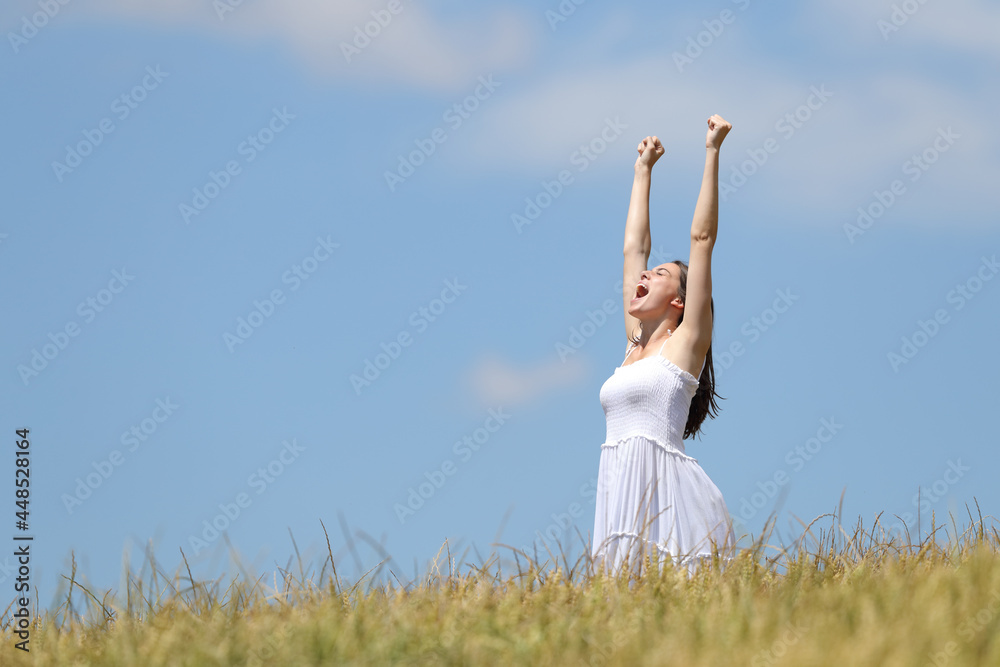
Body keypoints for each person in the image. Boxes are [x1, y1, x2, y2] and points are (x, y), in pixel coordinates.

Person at [591, 115, 736, 577]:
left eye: (659, 274)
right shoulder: (633, 344)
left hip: (670, 497)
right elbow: (633, 248)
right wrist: (642, 171)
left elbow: (702, 240)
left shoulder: (685, 345)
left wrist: (712, 150)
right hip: (618, 492)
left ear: (679, 301)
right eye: (648, 272)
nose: (645, 274)